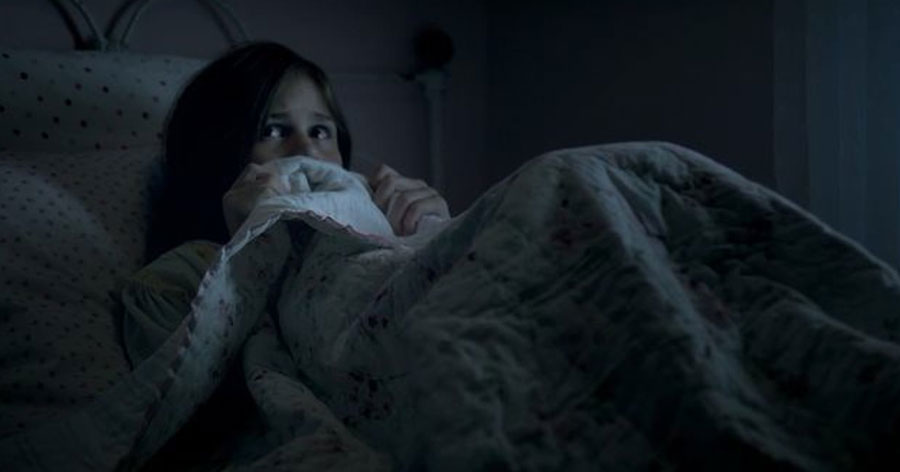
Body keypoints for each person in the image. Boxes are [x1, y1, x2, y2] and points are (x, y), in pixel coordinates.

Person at [150, 40, 450, 261]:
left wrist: (436, 235)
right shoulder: (181, 275)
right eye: (273, 131)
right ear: (217, 155)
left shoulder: (383, 228)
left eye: (320, 131)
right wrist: (246, 247)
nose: (308, 150)